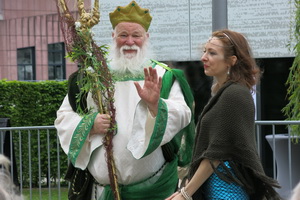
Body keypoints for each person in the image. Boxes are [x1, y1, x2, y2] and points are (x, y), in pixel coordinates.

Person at [55, 1, 195, 200]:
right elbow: (64, 117)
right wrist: (90, 124)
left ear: (146, 37)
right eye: (123, 35)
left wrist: (156, 106)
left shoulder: (163, 75)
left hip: (154, 190)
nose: (130, 42)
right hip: (102, 191)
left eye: (136, 35)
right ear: (113, 37)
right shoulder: (93, 76)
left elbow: (183, 114)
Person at [166, 29, 281, 200]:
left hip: (227, 188)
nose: (204, 57)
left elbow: (216, 154)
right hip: (219, 184)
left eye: (212, 53)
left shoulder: (234, 94)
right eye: (205, 51)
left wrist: (185, 193)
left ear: (231, 61)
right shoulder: (225, 93)